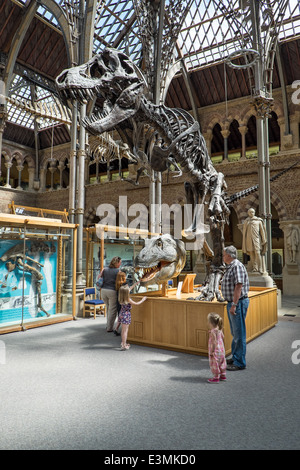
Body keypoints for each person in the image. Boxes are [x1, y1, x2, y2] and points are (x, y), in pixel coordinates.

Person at [221, 245, 250, 371]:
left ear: (229, 255)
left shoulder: (237, 266)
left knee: (239, 333)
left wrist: (234, 304)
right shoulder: (231, 266)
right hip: (232, 303)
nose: (222, 256)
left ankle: (239, 362)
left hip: (237, 304)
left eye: (223, 254)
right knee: (235, 333)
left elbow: (239, 286)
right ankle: (235, 356)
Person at [118, 284, 147, 350]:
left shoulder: (121, 297)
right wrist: (143, 299)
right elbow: (136, 303)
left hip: (121, 314)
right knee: (125, 331)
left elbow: (129, 289)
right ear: (127, 293)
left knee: (123, 330)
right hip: (126, 315)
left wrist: (136, 283)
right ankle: (124, 346)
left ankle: (123, 342)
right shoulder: (128, 299)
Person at [242, 208, 267, 274]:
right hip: (249, 240)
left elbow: (262, 231)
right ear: (248, 213)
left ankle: (260, 268)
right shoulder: (247, 221)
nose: (251, 213)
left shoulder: (258, 221)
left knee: (258, 253)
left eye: (252, 212)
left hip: (257, 239)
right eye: (250, 212)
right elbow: (244, 232)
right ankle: (255, 268)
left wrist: (264, 239)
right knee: (251, 254)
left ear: (254, 212)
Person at [100, 256, 122, 332]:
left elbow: (99, 278)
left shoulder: (105, 269)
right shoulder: (118, 271)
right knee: (112, 310)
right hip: (112, 291)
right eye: (120, 262)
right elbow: (120, 282)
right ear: (117, 263)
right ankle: (109, 328)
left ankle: (108, 325)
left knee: (109, 308)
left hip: (103, 291)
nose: (120, 264)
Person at [207, 312, 226, 383]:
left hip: (215, 350)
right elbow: (222, 337)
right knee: (221, 361)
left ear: (210, 323)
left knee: (215, 363)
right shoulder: (219, 329)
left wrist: (212, 351)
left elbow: (214, 342)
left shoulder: (213, 332)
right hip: (221, 349)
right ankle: (223, 375)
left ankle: (216, 377)